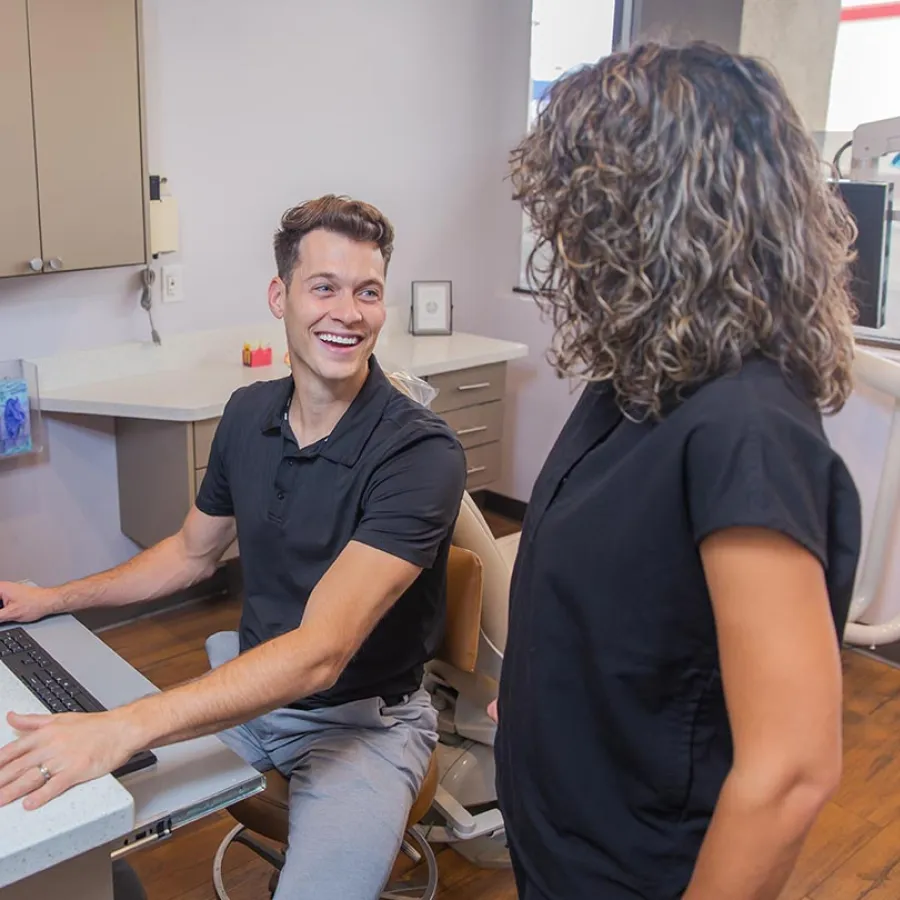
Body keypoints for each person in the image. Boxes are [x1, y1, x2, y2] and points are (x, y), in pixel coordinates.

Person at [0, 195, 467, 900]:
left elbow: (320, 652)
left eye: (368, 292)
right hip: (256, 692)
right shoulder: (248, 414)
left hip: (364, 723)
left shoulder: (418, 453)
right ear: (280, 296)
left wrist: (125, 725)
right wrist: (53, 598)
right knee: (55, 810)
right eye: (324, 287)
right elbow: (190, 554)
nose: (348, 311)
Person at [493, 41, 863, 900]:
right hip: (561, 825)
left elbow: (791, 771)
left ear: (651, 216)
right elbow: (622, 606)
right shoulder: (638, 380)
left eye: (581, 211)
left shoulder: (747, 428)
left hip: (637, 868)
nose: (564, 239)